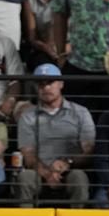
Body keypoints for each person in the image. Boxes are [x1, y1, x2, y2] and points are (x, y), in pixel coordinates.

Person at [16, 62, 95, 206]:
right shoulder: (27, 116)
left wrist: (68, 163)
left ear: (61, 84)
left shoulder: (81, 112)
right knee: (25, 178)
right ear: (36, 87)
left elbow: (89, 150)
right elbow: (28, 155)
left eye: (50, 82)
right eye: (41, 84)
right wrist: (47, 174)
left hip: (71, 169)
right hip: (39, 171)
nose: (46, 87)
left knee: (79, 178)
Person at [21, 0, 65, 71]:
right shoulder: (30, 0)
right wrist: (48, 49)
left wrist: (65, 49)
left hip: (68, 47)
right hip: (43, 48)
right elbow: (32, 38)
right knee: (47, 70)